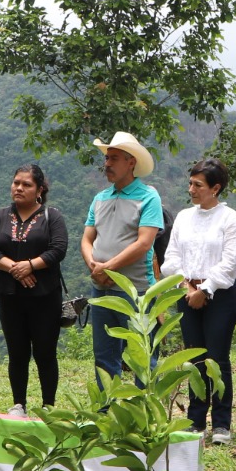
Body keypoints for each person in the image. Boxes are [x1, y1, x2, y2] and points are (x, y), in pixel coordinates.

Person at [162, 158, 236, 444]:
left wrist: (205, 290)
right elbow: (171, 256)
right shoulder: (185, 217)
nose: (191, 189)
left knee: (217, 358)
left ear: (216, 188)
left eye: (198, 185)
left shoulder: (230, 219)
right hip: (186, 293)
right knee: (194, 358)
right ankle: (196, 420)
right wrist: (186, 286)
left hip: (220, 296)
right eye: (191, 183)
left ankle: (221, 424)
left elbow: (230, 263)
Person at [0, 163, 68, 417]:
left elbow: (58, 250)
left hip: (45, 296)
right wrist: (15, 269)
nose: (19, 188)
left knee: (45, 352)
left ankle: (48, 406)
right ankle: (18, 403)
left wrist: (31, 266)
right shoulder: (0, 216)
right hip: (10, 295)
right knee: (17, 351)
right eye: (16, 183)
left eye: (26, 184)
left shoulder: (52, 216)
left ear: (39, 189)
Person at [79, 131, 163, 378]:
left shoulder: (148, 197)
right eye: (107, 158)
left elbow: (144, 243)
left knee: (142, 356)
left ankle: (143, 413)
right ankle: (107, 412)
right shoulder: (100, 198)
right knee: (104, 357)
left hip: (135, 291)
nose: (107, 164)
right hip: (101, 289)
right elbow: (86, 238)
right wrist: (93, 265)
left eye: (114, 158)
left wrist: (108, 268)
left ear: (131, 162)